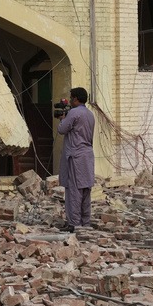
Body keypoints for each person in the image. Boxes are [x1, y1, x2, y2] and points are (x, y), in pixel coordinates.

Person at [56, 87, 95, 232]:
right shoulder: (90, 114)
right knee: (85, 190)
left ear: (76, 99)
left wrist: (62, 119)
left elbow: (62, 130)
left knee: (74, 190)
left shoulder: (74, 113)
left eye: (71, 98)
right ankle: (85, 223)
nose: (71, 100)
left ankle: (74, 224)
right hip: (87, 155)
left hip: (75, 155)